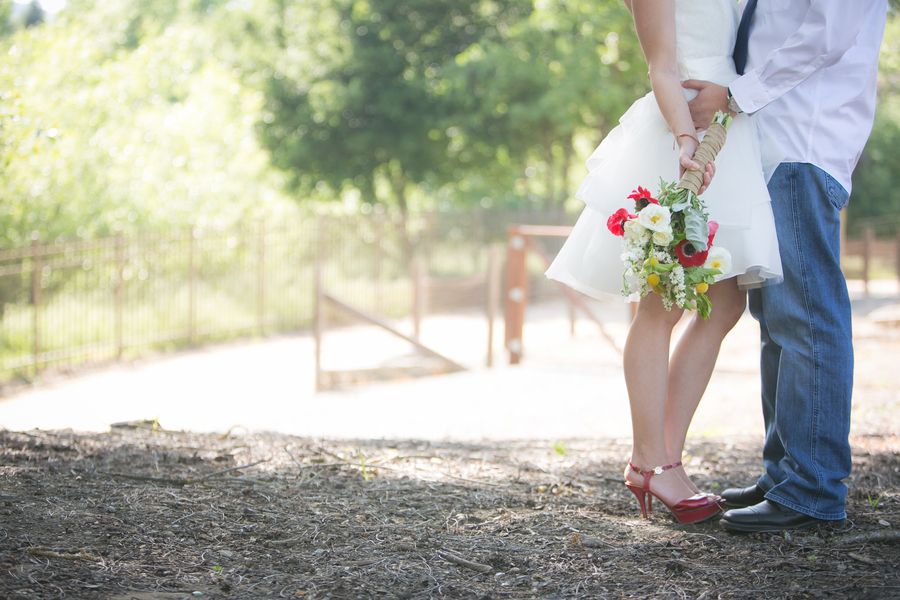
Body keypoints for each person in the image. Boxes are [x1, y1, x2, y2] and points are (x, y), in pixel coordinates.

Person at [546, 0, 783, 524]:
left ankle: (661, 458)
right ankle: (652, 460)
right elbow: (662, 66)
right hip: (682, 130)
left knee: (723, 307)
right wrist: (685, 139)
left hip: (729, 130)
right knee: (662, 304)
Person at [684, 0, 888, 532]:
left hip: (804, 143)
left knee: (806, 316)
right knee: (776, 320)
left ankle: (813, 487)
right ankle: (785, 473)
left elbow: (829, 32)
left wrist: (735, 95)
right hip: (774, 143)